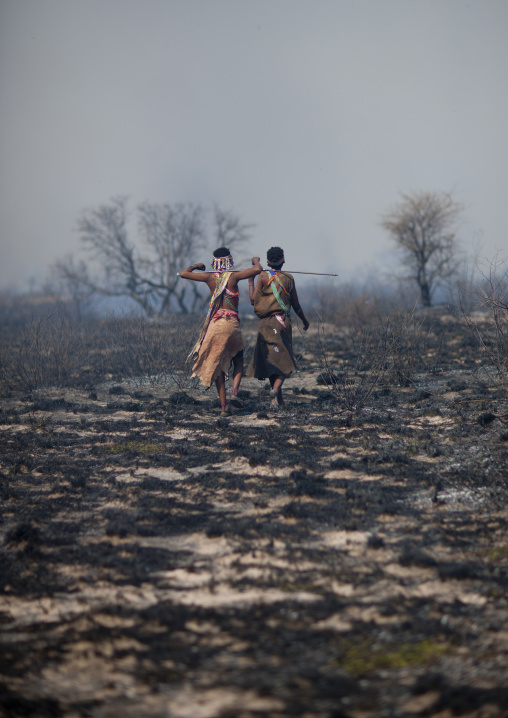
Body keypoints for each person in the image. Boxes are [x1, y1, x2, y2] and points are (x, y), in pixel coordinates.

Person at [180, 248, 262, 415]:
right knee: (238, 361)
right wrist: (255, 261)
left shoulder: (209, 277)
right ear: (229, 261)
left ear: (214, 261)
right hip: (231, 325)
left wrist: (197, 265)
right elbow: (258, 270)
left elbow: (183, 273)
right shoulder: (234, 276)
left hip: (215, 326)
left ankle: (224, 407)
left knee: (218, 367)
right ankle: (234, 393)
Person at [246, 246, 309, 408]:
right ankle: (275, 390)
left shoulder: (261, 277)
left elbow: (253, 300)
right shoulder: (288, 278)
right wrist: (304, 320)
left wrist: (250, 281)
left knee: (273, 361)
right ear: (283, 260)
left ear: (268, 261)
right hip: (282, 324)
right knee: (283, 361)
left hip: (265, 325)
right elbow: (296, 305)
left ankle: (277, 400)